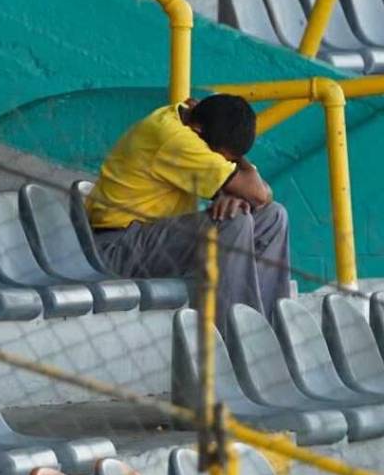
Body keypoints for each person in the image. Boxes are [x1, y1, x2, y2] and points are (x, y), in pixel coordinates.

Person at [85, 94, 290, 325]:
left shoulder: (189, 117)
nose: (225, 163)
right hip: (117, 247)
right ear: (197, 131)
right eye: (222, 159)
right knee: (234, 220)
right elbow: (259, 193)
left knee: (273, 216)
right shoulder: (175, 138)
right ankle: (234, 331)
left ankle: (268, 327)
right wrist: (241, 176)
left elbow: (263, 199)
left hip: (149, 240)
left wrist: (232, 192)